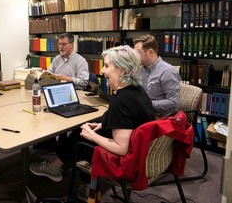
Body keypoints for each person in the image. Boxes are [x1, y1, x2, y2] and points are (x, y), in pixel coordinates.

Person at [29, 45, 156, 201]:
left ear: (122, 71)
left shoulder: (121, 102)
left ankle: (86, 188)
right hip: (142, 149)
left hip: (126, 160)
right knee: (82, 131)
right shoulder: (138, 91)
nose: (102, 71)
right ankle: (55, 167)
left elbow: (121, 149)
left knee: (82, 141)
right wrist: (102, 125)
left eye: (107, 66)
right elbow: (131, 120)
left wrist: (92, 136)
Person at [133, 34, 181, 117]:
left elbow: (174, 103)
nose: (134, 57)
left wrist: (146, 104)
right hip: (143, 113)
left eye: (138, 53)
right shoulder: (140, 69)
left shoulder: (168, 71)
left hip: (160, 118)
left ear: (150, 52)